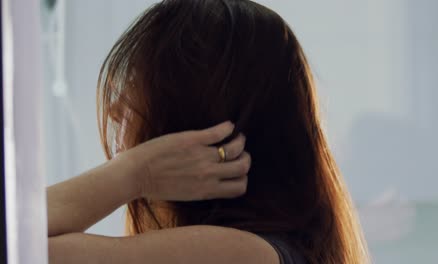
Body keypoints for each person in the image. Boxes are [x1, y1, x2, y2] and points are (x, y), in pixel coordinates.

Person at [47, 0, 370, 263]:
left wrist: (136, 172)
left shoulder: (238, 254)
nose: (116, 112)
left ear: (189, 115)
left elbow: (19, 247)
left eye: (135, 88)